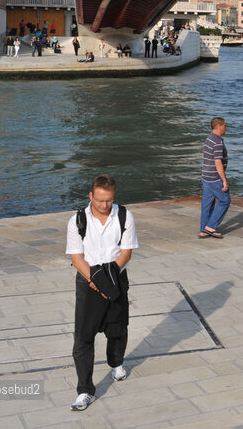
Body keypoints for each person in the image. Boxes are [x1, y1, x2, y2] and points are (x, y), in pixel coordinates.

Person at [66, 174, 138, 411]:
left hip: (116, 278)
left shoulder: (125, 216)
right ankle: (85, 390)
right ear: (91, 196)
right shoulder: (77, 221)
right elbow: (76, 258)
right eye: (99, 200)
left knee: (118, 329)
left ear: (113, 196)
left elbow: (126, 253)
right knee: (83, 339)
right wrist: (96, 280)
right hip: (88, 283)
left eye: (108, 201)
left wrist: (108, 279)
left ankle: (116, 362)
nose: (104, 205)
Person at [199, 117, 230, 239]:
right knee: (225, 200)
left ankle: (203, 230)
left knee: (207, 202)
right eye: (225, 126)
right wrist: (224, 180)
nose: (225, 128)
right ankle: (211, 226)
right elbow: (218, 162)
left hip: (205, 176)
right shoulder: (217, 142)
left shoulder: (209, 139)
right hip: (214, 177)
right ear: (221, 126)